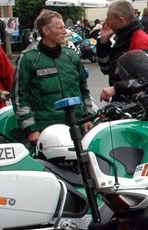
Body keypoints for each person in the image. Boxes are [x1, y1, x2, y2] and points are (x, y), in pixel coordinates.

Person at [14, 10, 96, 145]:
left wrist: (88, 118)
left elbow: (84, 90)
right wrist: (31, 129)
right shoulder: (29, 59)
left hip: (77, 125)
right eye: (60, 27)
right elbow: (19, 97)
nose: (65, 31)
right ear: (46, 31)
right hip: (46, 128)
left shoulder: (72, 56)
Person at [97, 0, 148, 101]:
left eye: (109, 18)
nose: (106, 22)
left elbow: (146, 79)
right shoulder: (122, 37)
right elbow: (106, 69)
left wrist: (116, 88)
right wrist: (103, 42)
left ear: (121, 21)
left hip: (136, 101)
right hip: (124, 98)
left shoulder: (139, 39)